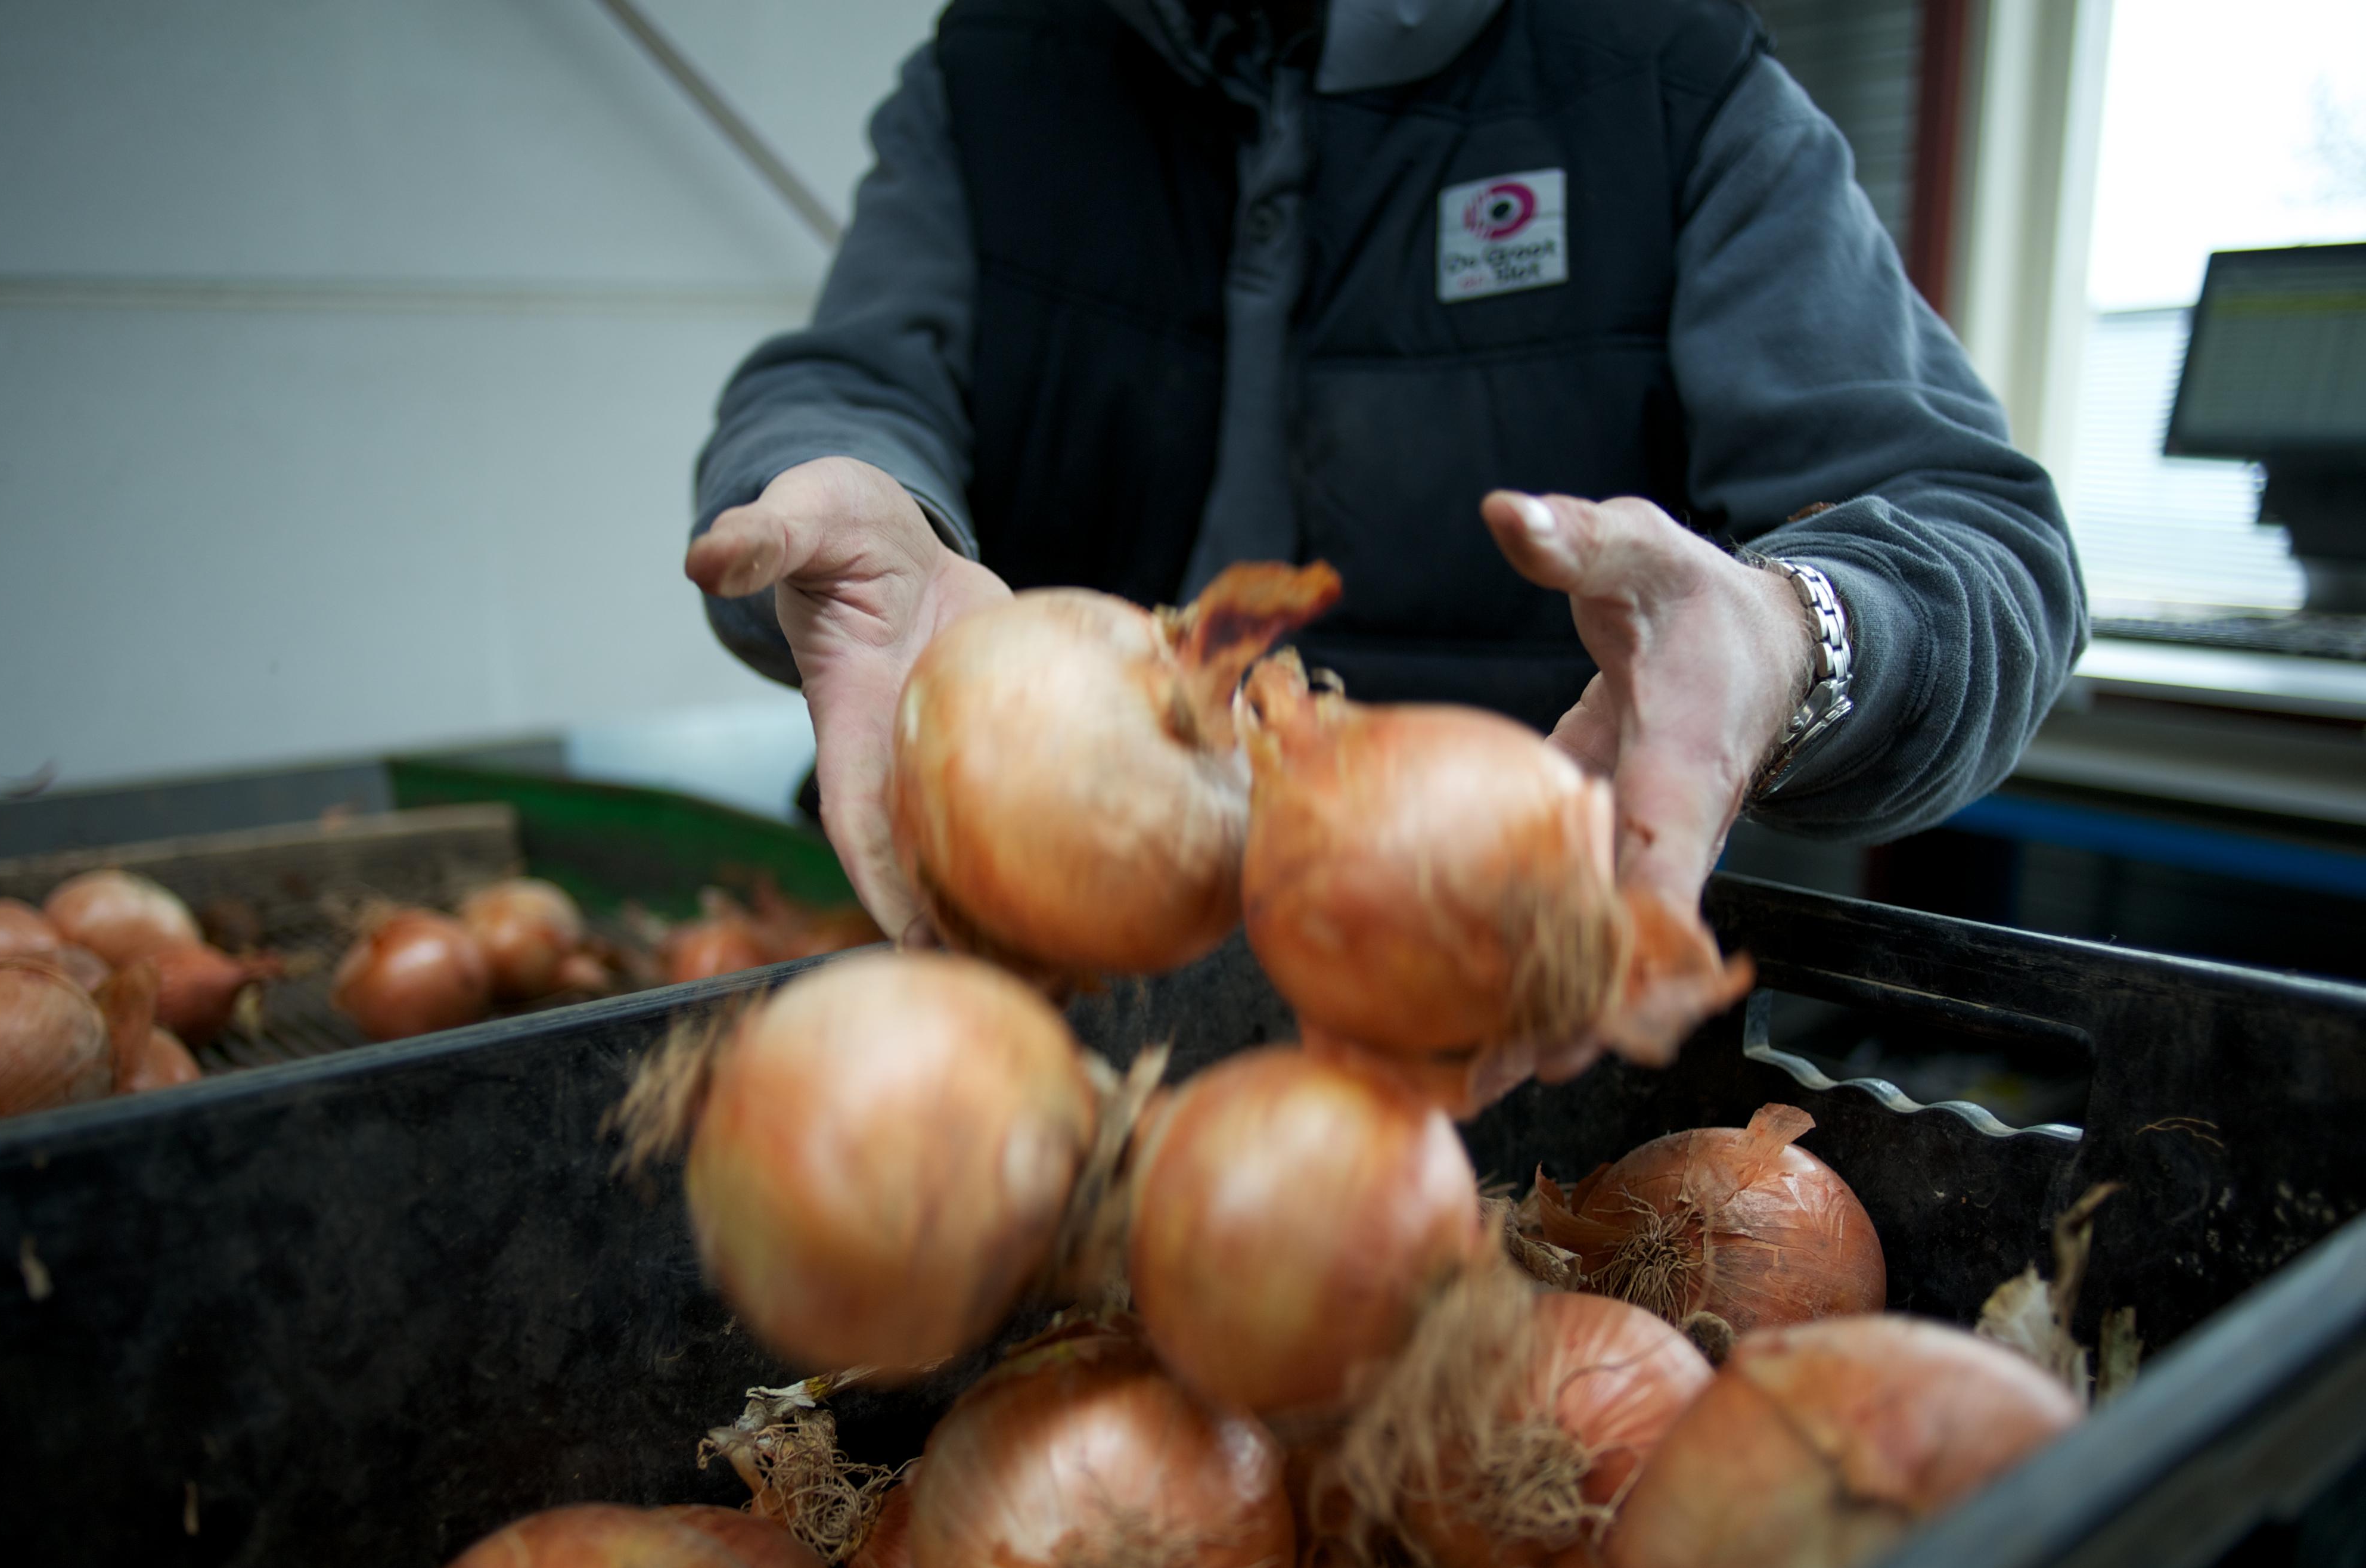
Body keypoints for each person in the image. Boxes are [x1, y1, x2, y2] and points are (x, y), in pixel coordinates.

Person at [685, 0, 2084, 947]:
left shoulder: (1662, 76)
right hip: (1024, 981)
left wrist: (1799, 636)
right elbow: (852, 379)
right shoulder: (996, 72)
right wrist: (842, 488)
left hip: (1481, 1032)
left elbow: (1980, 538)